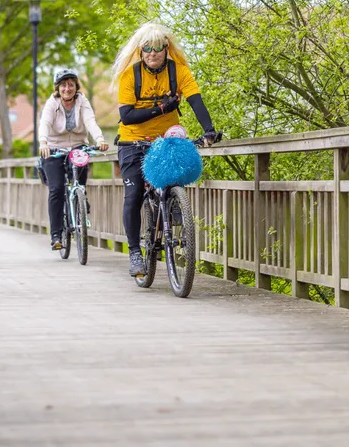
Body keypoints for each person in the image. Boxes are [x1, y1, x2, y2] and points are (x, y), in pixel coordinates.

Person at [110, 22, 219, 277]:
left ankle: (174, 208)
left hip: (165, 139)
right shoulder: (130, 76)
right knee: (134, 193)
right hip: (132, 140)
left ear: (166, 48)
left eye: (158, 48)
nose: (152, 53)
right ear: (140, 51)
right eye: (147, 48)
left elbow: (195, 101)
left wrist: (209, 130)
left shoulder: (178, 71)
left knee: (174, 178)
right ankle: (135, 252)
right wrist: (162, 109)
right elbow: (127, 117)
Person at [38, 68, 109, 250]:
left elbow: (90, 121)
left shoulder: (81, 101)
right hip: (53, 148)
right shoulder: (52, 103)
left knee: (80, 177)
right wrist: (43, 142)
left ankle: (80, 198)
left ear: (76, 86)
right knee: (56, 188)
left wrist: (100, 140)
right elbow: (45, 123)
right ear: (58, 88)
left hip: (77, 146)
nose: (67, 89)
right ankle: (56, 235)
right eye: (63, 85)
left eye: (70, 85)